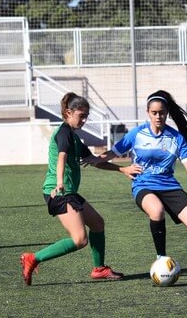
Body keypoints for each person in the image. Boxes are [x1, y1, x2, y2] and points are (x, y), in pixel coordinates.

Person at [20, 92, 142, 286]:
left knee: (97, 224)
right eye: (81, 116)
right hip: (58, 191)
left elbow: (94, 161)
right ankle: (33, 258)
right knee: (79, 240)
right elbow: (61, 156)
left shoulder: (75, 139)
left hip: (68, 192)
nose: (84, 121)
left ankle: (99, 269)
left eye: (86, 116)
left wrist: (122, 169)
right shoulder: (64, 133)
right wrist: (60, 181)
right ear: (68, 112)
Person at [100, 90, 187, 274]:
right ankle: (161, 258)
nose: (158, 116)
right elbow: (111, 153)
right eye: (154, 113)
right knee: (156, 210)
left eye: (162, 113)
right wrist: (95, 159)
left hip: (170, 186)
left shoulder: (176, 138)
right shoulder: (137, 133)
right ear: (148, 113)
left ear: (167, 113)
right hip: (143, 185)